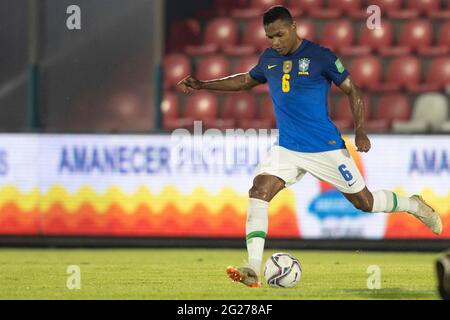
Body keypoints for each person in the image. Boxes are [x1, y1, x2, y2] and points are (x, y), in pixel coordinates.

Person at [178, 6, 442, 288]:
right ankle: (253, 267)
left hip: (324, 147)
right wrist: (204, 84)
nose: (275, 42)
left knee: (365, 203)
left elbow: (352, 90)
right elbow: (245, 81)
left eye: (279, 35)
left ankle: (414, 204)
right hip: (288, 148)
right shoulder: (268, 59)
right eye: (270, 37)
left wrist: (361, 130)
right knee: (259, 191)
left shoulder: (321, 57)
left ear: (293, 27)